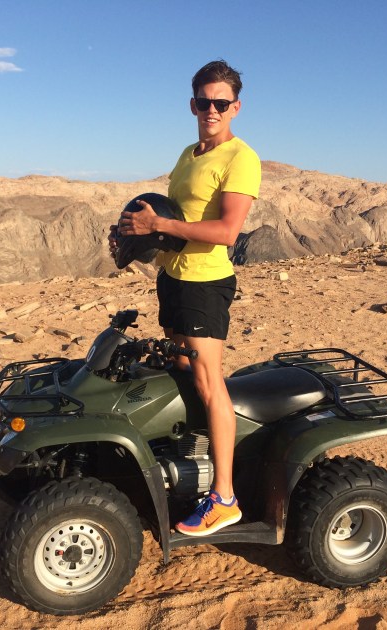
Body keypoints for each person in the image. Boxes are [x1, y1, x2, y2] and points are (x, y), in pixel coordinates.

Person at [110, 60, 261, 536]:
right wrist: (135, 235)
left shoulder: (241, 158)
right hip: (173, 278)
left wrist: (158, 224)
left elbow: (227, 230)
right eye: (203, 102)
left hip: (205, 285)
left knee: (209, 383)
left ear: (235, 107)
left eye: (221, 103)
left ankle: (225, 498)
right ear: (192, 105)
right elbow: (174, 217)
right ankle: (185, 465)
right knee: (178, 370)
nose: (211, 110)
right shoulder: (188, 153)